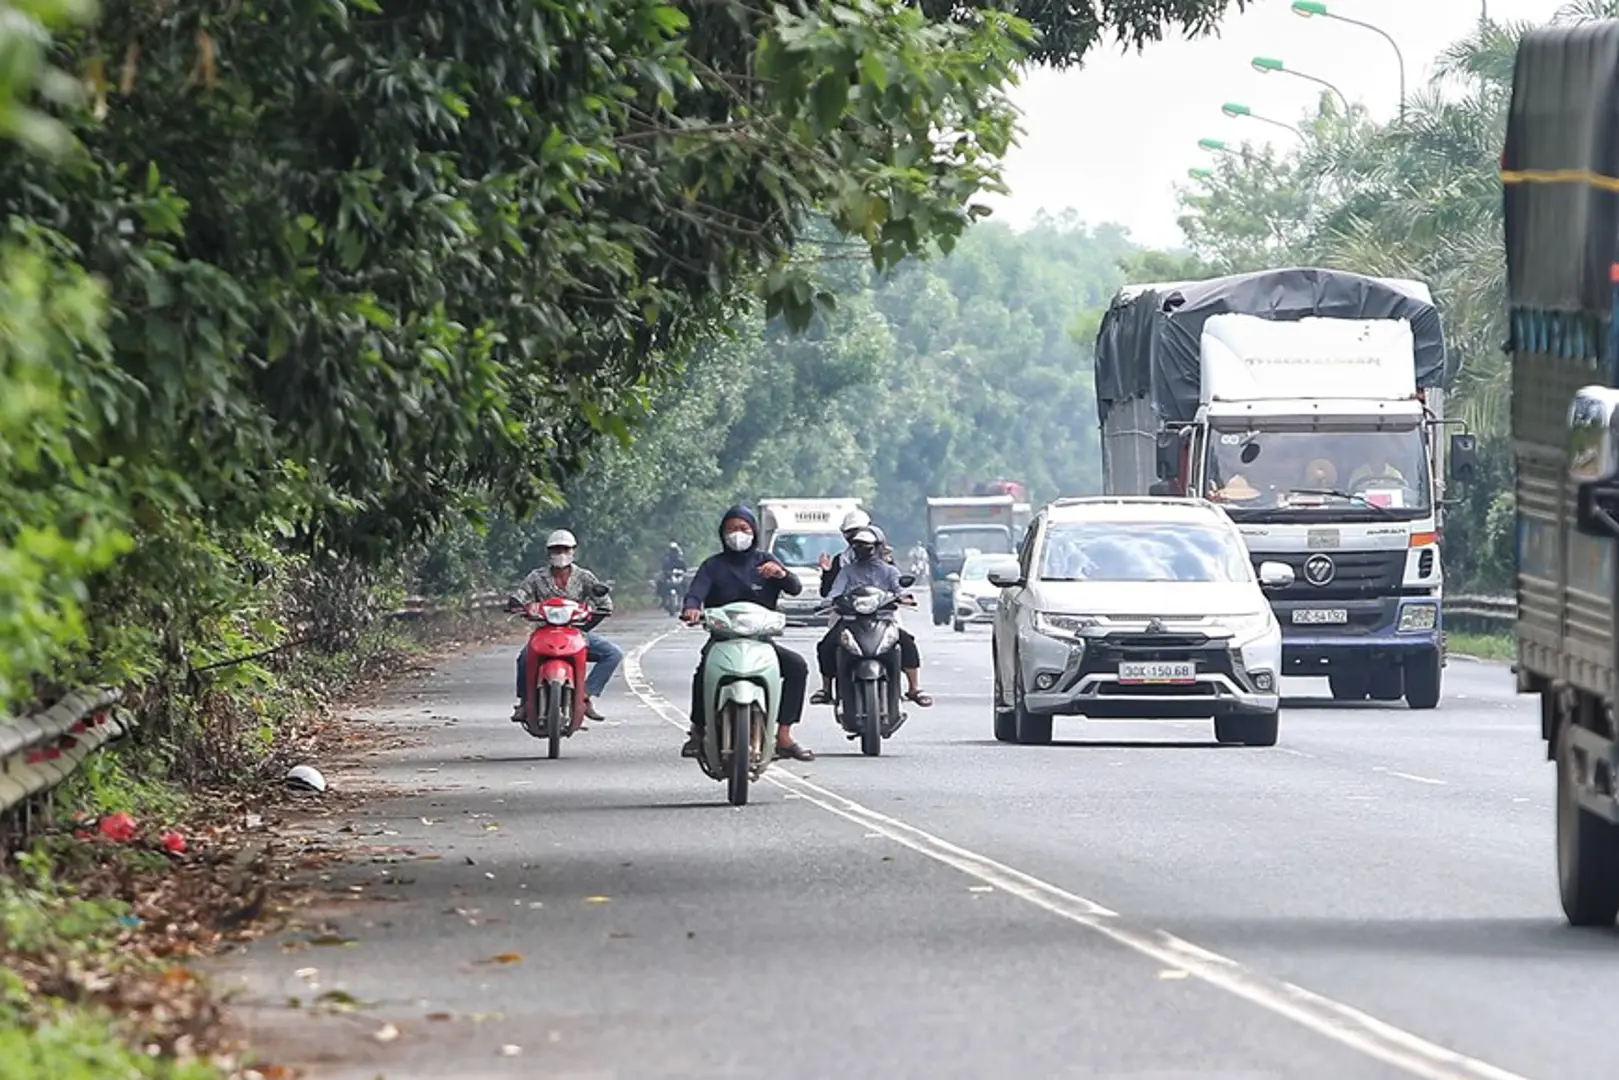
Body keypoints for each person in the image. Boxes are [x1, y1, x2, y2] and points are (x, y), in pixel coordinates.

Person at [679, 506, 814, 761]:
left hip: (760, 641)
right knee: (703, 672)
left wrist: (781, 574)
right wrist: (692, 609)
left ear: (753, 532)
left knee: (797, 667)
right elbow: (696, 592)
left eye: (743, 529)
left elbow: (794, 587)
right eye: (731, 529)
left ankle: (783, 734)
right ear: (722, 534)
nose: (737, 534)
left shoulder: (767, 562)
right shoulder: (713, 566)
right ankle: (698, 730)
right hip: (722, 639)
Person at [812, 526, 933, 708]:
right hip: (852, 620)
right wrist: (829, 602)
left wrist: (904, 598)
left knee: (907, 641)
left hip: (883, 620)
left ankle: (914, 687)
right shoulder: (847, 571)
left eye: (867, 546)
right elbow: (834, 592)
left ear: (877, 547)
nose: (863, 550)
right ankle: (826, 689)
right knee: (826, 645)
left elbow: (899, 589)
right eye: (858, 546)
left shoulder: (889, 570)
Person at [509, 529, 621, 723]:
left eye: (564, 549)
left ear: (573, 551)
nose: (560, 554)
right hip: (544, 632)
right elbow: (521, 594)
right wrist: (517, 604)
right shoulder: (536, 577)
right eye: (556, 550)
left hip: (575, 633)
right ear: (549, 553)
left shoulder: (585, 577)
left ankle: (585, 695)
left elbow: (604, 604)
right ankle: (525, 702)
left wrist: (587, 623)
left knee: (613, 654)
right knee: (524, 659)